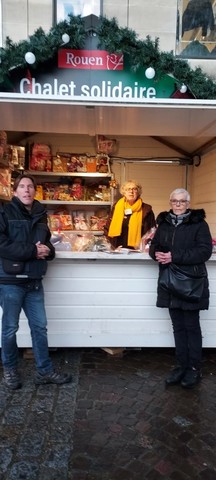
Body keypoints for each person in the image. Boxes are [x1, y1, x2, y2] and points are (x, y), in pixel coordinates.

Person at [0, 174, 72, 390]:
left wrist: (48, 251)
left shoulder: (41, 214)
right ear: (15, 191)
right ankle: (10, 369)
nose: (26, 190)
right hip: (10, 281)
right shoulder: (4, 211)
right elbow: (2, 244)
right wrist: (33, 250)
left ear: (35, 191)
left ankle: (45, 371)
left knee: (40, 328)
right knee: (10, 329)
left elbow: (47, 242)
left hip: (34, 281)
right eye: (22, 186)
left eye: (30, 186)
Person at [149, 188, 212, 389]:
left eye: (182, 201)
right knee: (177, 327)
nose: (178, 205)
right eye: (175, 201)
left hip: (191, 284)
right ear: (170, 202)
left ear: (188, 203)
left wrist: (173, 256)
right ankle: (180, 366)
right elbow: (154, 246)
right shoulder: (164, 223)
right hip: (169, 282)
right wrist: (157, 254)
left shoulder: (199, 224)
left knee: (191, 327)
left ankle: (193, 368)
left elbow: (204, 251)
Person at [105, 180, 156, 250]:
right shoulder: (116, 207)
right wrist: (112, 247)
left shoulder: (146, 209)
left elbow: (152, 232)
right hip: (118, 249)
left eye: (134, 189)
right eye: (128, 189)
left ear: (138, 192)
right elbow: (107, 228)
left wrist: (146, 248)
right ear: (124, 192)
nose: (131, 191)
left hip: (139, 250)